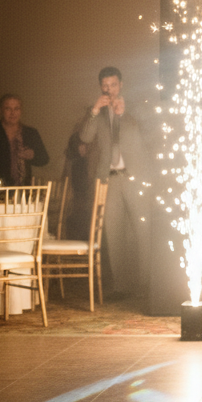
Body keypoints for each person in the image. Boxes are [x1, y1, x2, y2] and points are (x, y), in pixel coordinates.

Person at [79, 66, 150, 299]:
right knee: (114, 232)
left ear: (121, 85)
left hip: (134, 176)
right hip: (109, 178)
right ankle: (121, 286)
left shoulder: (135, 108)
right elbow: (85, 138)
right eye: (105, 86)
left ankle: (147, 283)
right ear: (101, 87)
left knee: (142, 230)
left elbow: (147, 133)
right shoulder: (96, 113)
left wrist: (123, 115)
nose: (109, 90)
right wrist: (93, 110)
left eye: (113, 85)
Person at [0, 94, 50, 185]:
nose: (13, 113)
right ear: (0, 110)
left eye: (16, 109)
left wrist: (33, 155)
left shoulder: (31, 133)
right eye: (8, 109)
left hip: (24, 189)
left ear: (21, 110)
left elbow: (44, 159)